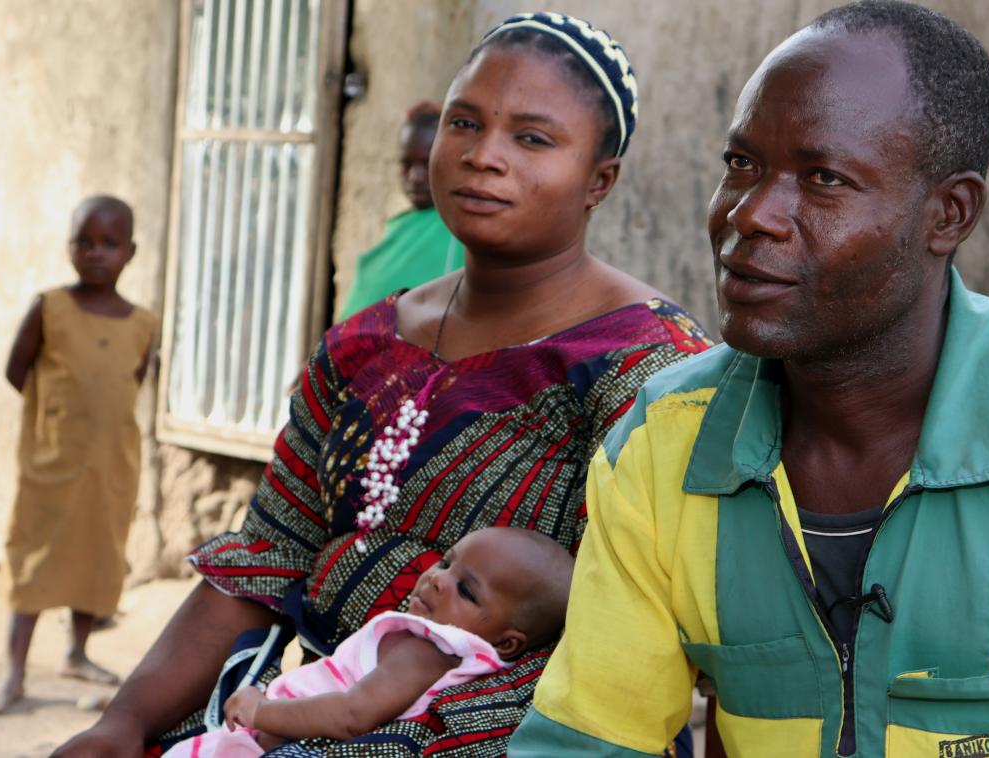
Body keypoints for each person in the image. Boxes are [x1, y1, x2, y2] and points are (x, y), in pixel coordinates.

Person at [510, 2, 989, 757]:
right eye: (741, 165)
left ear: (947, 215)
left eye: (824, 178)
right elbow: (587, 742)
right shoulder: (663, 450)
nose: (752, 213)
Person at [53, 12, 709, 757]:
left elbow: (615, 649)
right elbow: (269, 557)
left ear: (600, 178)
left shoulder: (649, 368)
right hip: (317, 719)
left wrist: (356, 742)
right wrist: (121, 724)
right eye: (465, 122)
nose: (483, 156)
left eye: (532, 138)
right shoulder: (363, 345)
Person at [162, 527, 573, 757]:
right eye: (447, 563)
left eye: (466, 591)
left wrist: (261, 710)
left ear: (507, 644)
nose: (436, 579)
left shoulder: (428, 649)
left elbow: (351, 715)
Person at [0, 196, 159, 715]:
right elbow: (18, 371)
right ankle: (14, 670)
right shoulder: (50, 307)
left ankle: (77, 652)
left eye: (109, 243)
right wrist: (55, 416)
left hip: (110, 465)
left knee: (97, 556)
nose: (96, 253)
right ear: (69, 248)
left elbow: (132, 383)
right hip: (52, 463)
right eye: (85, 242)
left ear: (131, 251)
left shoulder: (143, 323)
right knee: (34, 556)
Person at [337, 101, 465, 320]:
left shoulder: (459, 230)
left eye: (427, 164)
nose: (415, 177)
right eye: (407, 164)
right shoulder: (399, 228)